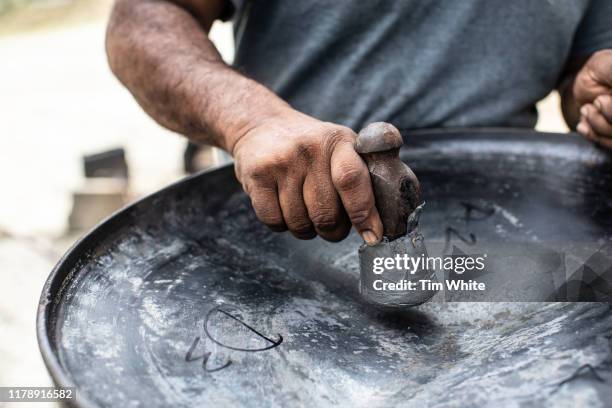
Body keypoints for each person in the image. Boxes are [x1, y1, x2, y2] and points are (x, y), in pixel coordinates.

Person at [106, 0, 612, 246]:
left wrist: (594, 97)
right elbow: (141, 23)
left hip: (510, 232)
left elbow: (581, 77)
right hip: (297, 226)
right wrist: (251, 121)